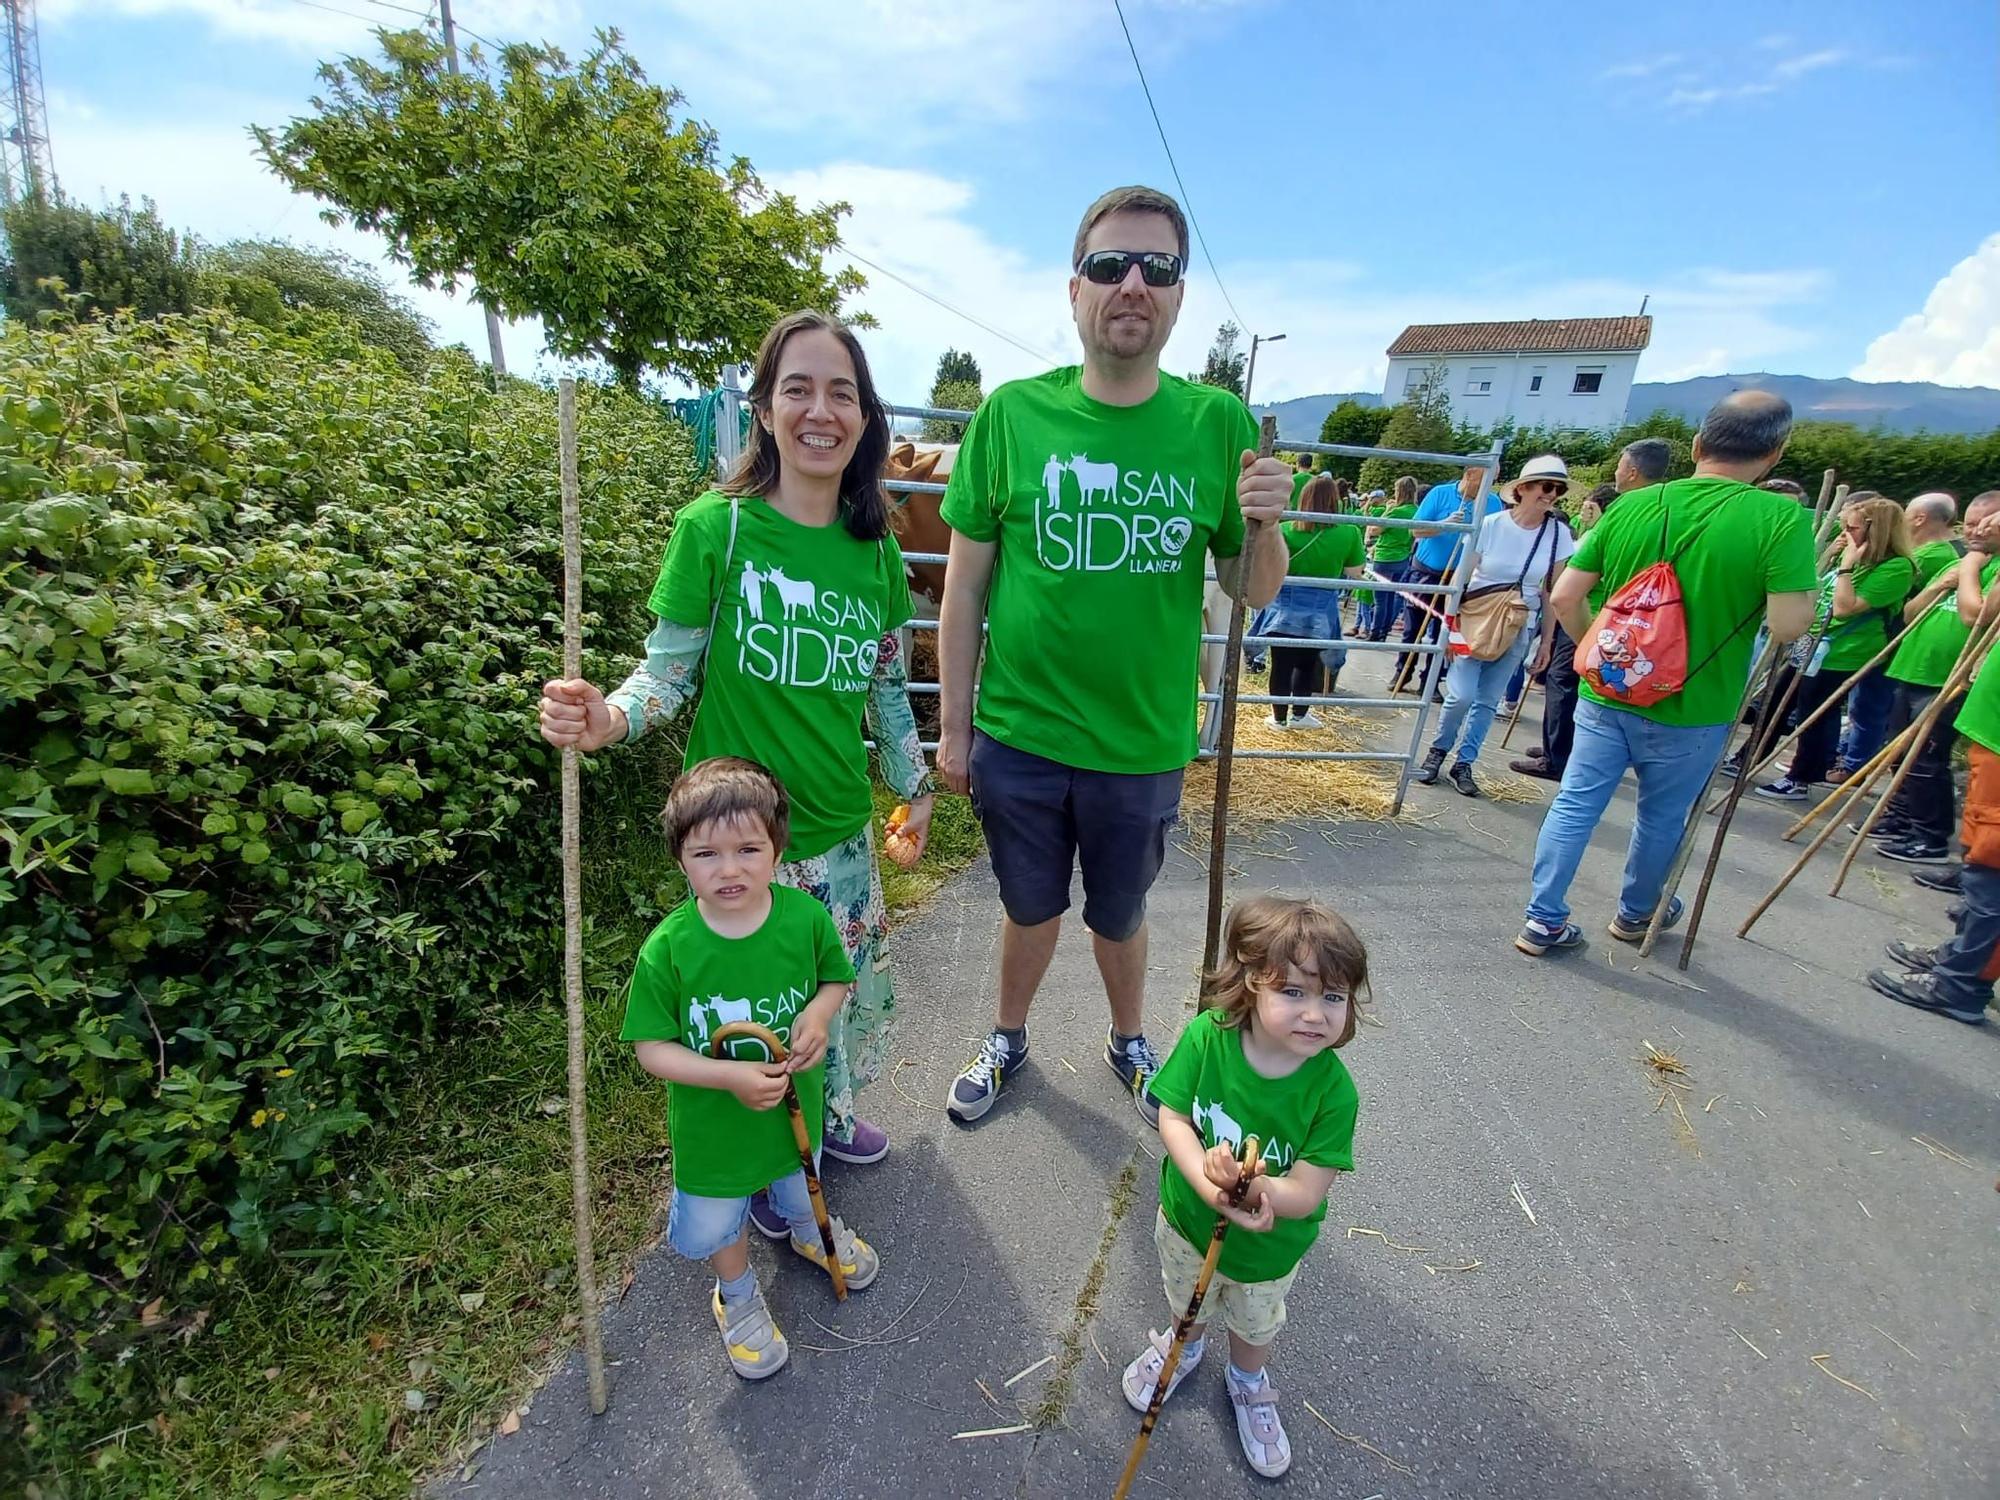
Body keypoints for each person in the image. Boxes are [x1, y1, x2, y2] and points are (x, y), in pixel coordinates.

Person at [538, 309, 934, 1204]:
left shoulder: (874, 555)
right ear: (763, 407)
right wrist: (609, 719)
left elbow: (883, 693)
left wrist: (915, 790)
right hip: (740, 845)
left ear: (867, 419)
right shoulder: (714, 531)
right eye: (798, 388)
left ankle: (823, 1121)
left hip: (839, 835)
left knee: (833, 997)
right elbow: (667, 675)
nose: (820, 410)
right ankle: (767, 1170)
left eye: (843, 393)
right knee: (755, 1022)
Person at [935, 185, 1290, 1125]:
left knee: (1120, 913)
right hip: (1021, 734)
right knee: (1028, 906)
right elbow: (965, 587)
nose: (1133, 283)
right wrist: (956, 731)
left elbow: (1253, 589)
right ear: (1074, 287)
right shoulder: (1011, 416)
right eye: (1111, 265)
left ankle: (1130, 1040)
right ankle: (1009, 1038)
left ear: (1178, 296)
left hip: (1140, 744)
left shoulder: (1216, 425)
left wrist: (1268, 520)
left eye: (1158, 268)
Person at [1516, 392, 1816, 956]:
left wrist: (1600, 656)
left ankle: (1542, 917)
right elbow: (1788, 623)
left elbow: (1563, 596)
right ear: (1775, 454)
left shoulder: (1633, 506)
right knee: (1661, 816)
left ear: (1699, 445)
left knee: (1576, 802)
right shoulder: (1781, 517)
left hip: (1607, 692)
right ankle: (1636, 914)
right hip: (1697, 704)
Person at [622, 758, 879, 1381]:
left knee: (800, 1180)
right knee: (719, 1218)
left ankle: (810, 1233)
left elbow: (835, 979)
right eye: (706, 853)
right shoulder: (670, 948)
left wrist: (818, 1017)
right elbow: (652, 1049)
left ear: (777, 848)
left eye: (748, 849)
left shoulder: (804, 919)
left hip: (794, 1110)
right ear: (680, 859)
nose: (729, 869)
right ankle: (735, 1294)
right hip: (716, 1129)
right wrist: (728, 1076)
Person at [1121, 895, 1365, 1479]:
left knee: (1256, 1325)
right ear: (1253, 981)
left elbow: (1306, 1191)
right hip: (1186, 1225)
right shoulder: (1209, 1037)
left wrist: (1258, 1192)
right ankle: (1184, 1348)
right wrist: (1210, 1184)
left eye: (1333, 997)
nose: (1316, 1014)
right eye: (1294, 993)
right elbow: (1172, 1117)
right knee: (1187, 1301)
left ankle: (1249, 1381)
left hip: (1266, 1250)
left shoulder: (1334, 1091)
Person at [1867, 563, 2000, 1027]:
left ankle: (1961, 984)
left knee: (1993, 874)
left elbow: (1984, 610)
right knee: (1982, 866)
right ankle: (1959, 957)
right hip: (1991, 740)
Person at [1415, 455, 1576, 797]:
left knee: (1487, 701)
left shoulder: (1559, 533)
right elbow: (1462, 575)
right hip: (1474, 619)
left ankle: (1464, 763)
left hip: (1519, 624)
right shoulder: (1492, 524)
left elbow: (1551, 591)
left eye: (1558, 489)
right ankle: (1437, 751)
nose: (1551, 495)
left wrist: (1546, 641)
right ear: (1524, 488)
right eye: (1546, 486)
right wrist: (1450, 623)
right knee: (1461, 696)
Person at [1511, 441, 1671, 781]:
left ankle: (1558, 758)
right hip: (1630, 621)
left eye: (1619, 464)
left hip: (1593, 613)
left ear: (1631, 470)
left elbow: (1569, 588)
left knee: (1563, 683)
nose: (1615, 471)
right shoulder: (1668, 508)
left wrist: (1582, 636)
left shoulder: (1626, 510)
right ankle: (1560, 747)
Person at [1749, 495, 1915, 800]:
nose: (1845, 534)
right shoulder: (1846, 557)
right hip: (1811, 642)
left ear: (1873, 531)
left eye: (1850, 528)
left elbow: (1843, 607)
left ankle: (1801, 777)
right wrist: (1833, 557)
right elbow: (1814, 587)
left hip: (1843, 651)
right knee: (1777, 698)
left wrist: (1847, 567)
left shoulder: (1897, 568)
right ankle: (1750, 757)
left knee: (1814, 711)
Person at [1867, 493, 2000, 863]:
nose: (1974, 531)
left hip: (1947, 679)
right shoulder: (1955, 567)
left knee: (1926, 759)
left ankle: (1931, 837)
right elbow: (1910, 613)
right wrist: (1942, 585)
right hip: (1911, 668)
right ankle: (1901, 818)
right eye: (1970, 523)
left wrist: (1970, 569)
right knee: (1898, 751)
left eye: (1984, 523)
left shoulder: (1988, 568)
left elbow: (1976, 617)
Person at [1834, 492, 1960, 779]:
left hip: (1894, 641)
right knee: (1865, 707)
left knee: (1870, 707)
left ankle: (1855, 765)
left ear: (1920, 518)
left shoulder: (1929, 556)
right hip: (1899, 644)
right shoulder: (1930, 552)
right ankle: (1850, 757)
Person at [1264, 475, 1366, 729]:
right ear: (1336, 500)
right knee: (1307, 664)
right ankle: (1300, 714)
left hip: (1284, 606)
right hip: (1321, 609)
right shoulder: (1349, 532)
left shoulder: (1285, 529)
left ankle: (1279, 718)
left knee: (1280, 665)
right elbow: (1356, 571)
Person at [1393, 465, 1503, 694]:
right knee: (1413, 629)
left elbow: (1492, 541)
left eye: (1494, 479)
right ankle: (1403, 671)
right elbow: (1415, 530)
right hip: (1425, 572)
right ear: (1470, 474)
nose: (1489, 485)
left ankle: (1430, 682)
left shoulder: (1493, 503)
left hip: (1459, 578)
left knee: (1443, 634)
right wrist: (1445, 525)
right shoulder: (1439, 493)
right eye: (1486, 478)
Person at [1365, 476, 1421, 641]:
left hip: (1385, 556)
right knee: (1391, 598)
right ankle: (1384, 632)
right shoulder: (1416, 511)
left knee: (1380, 599)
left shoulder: (1396, 511)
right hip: (1403, 557)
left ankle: (1375, 632)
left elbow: (1375, 530)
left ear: (1400, 492)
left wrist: (1387, 510)